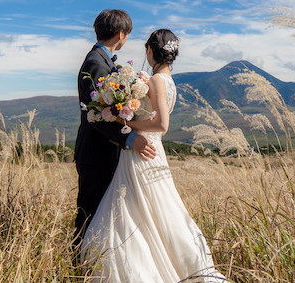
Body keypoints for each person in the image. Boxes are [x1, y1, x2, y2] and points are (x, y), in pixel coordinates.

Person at [82, 29, 227, 282]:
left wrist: (124, 122)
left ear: (150, 50)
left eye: (146, 50)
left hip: (143, 149)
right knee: (154, 207)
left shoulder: (157, 80)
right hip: (150, 150)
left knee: (138, 208)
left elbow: (161, 125)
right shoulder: (167, 81)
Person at [73, 9, 157, 256]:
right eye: (127, 34)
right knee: (89, 214)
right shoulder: (96, 63)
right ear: (121, 34)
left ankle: (94, 261)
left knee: (99, 213)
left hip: (102, 152)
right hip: (96, 154)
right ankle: (79, 266)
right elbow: (96, 116)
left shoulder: (103, 60)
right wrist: (130, 139)